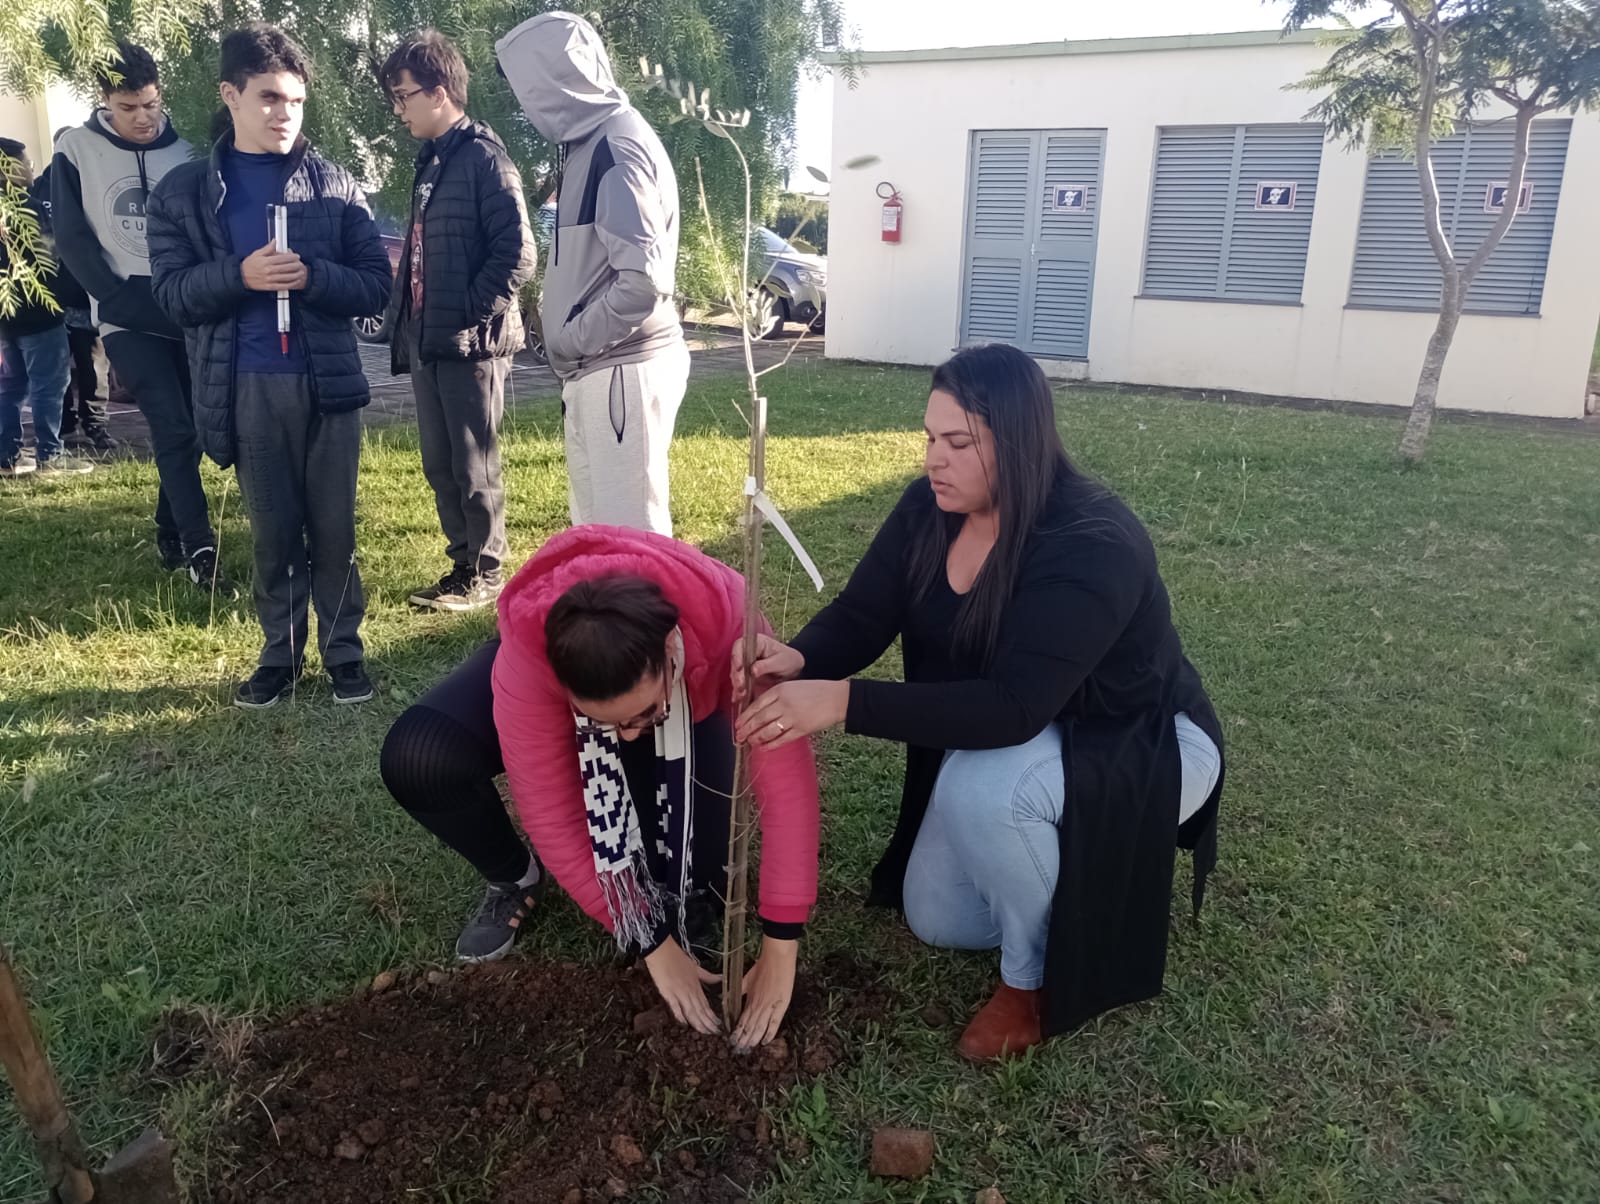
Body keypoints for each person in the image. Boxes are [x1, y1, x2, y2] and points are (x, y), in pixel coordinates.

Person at [734, 343, 1225, 1061]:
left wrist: (842, 701)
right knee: (935, 915)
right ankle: (1079, 880)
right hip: (1036, 739)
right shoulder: (929, 510)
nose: (935, 458)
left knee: (977, 788)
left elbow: (1013, 708)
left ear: (1018, 442)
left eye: (958, 442)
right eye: (931, 438)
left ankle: (1031, 984)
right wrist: (802, 657)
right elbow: (865, 612)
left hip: (1141, 743)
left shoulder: (1093, 540)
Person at [380, 525, 819, 1048]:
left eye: (641, 714)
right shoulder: (531, 658)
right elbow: (552, 811)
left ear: (670, 649)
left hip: (696, 696)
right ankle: (516, 877)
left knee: (691, 876)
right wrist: (650, 941)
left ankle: (657, 748)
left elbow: (785, 787)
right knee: (421, 755)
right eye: (609, 725)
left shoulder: (733, 631)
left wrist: (780, 945)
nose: (629, 735)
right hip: (554, 671)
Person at [147, 24, 392, 709]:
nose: (284, 113)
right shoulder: (188, 194)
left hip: (328, 384)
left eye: (295, 101)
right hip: (249, 383)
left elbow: (375, 285)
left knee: (335, 528)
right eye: (269, 98)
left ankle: (345, 652)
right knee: (274, 530)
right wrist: (241, 275)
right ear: (230, 95)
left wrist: (311, 275)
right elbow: (172, 296)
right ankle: (279, 656)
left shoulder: (335, 185)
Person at [496, 12, 690, 535]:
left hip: (620, 368)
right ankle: (609, 620)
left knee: (634, 541)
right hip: (600, 371)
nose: (522, 102)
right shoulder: (590, 143)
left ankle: (653, 623)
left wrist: (577, 341)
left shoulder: (616, 147)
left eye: (525, 87)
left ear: (552, 79)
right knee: (602, 536)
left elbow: (644, 283)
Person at [52, 42, 230, 589]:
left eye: (151, 105)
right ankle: (201, 548)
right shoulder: (76, 149)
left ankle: (168, 527)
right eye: (129, 108)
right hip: (125, 315)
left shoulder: (189, 151)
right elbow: (72, 238)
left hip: (189, 308)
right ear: (105, 101)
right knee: (172, 425)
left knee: (196, 428)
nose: (143, 118)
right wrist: (113, 296)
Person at [378, 30, 535, 613]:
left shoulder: (485, 158)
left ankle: (488, 573)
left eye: (404, 96)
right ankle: (463, 565)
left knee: (475, 464)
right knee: (440, 463)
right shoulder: (432, 162)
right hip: (431, 340)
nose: (399, 109)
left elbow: (517, 255)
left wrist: (465, 314)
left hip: (472, 343)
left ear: (439, 92)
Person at [0, 138, 95, 478]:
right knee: (49, 384)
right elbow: (52, 258)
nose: (30, 169)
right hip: (39, 311)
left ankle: (6, 456)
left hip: (6, 314)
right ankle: (50, 457)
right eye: (24, 163)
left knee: (10, 387)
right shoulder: (31, 208)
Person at [31, 129, 116, 454]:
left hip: (77, 292)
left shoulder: (89, 180)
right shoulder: (46, 186)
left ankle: (86, 426)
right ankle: (75, 426)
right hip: (63, 293)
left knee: (85, 364)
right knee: (72, 364)